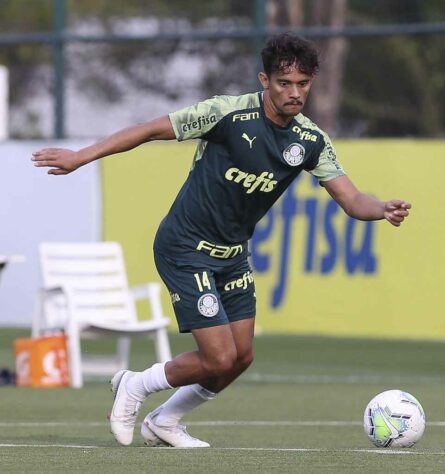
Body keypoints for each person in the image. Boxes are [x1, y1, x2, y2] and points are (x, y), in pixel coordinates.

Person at [32, 33, 411, 448]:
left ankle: (165, 420)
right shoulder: (227, 114)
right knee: (217, 357)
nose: (295, 93)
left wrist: (381, 208)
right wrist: (80, 156)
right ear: (264, 80)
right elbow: (148, 130)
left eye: (303, 84)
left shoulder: (310, 140)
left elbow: (352, 199)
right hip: (184, 245)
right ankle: (135, 385)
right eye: (285, 83)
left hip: (232, 255)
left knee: (241, 357)